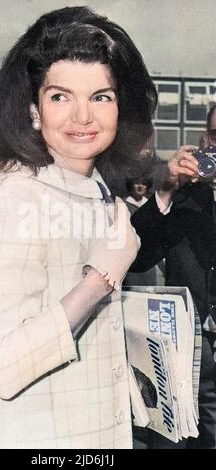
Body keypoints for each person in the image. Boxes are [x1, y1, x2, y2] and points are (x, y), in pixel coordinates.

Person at [0, 6, 157, 449]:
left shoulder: (98, 191)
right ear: (34, 111)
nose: (82, 117)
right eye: (60, 97)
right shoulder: (18, 197)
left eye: (100, 97)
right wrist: (99, 280)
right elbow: (1, 367)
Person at [127, 104, 216, 449]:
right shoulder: (184, 195)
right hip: (186, 352)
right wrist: (164, 192)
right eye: (214, 134)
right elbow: (136, 256)